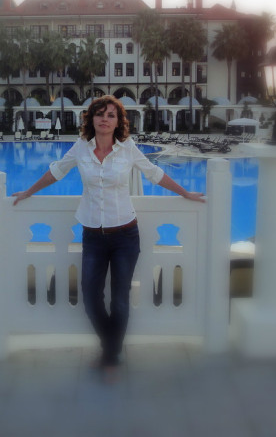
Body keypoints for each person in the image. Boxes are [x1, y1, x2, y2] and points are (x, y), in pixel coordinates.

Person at [12, 96, 204, 373]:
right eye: (99, 113)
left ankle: (111, 356)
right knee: (91, 298)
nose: (104, 118)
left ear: (118, 122)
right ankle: (111, 347)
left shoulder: (128, 148)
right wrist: (29, 191)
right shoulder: (81, 147)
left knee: (120, 298)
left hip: (125, 234)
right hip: (93, 236)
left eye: (111, 115)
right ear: (91, 118)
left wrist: (185, 193)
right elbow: (57, 172)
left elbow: (154, 173)